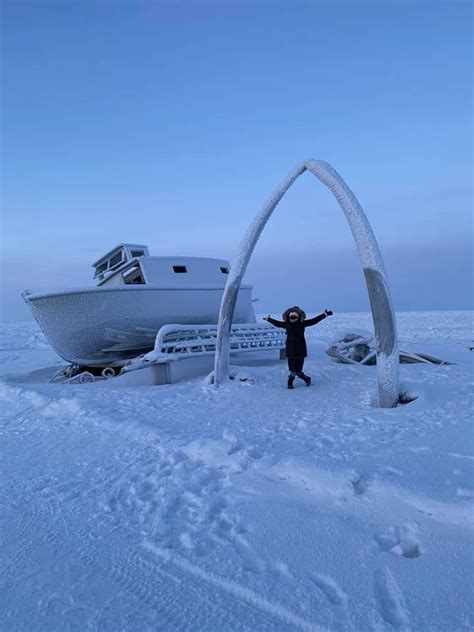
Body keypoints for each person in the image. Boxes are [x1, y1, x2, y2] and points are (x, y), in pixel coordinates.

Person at [264, 306, 333, 389]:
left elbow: (314, 321)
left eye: (295, 316)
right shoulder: (286, 324)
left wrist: (324, 314)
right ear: (287, 316)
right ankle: (295, 380)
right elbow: (277, 323)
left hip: (300, 350)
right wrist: (269, 319)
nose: (292, 318)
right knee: (292, 369)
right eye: (291, 316)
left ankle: (302, 379)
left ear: (299, 316)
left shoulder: (302, 324)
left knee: (298, 369)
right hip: (290, 350)